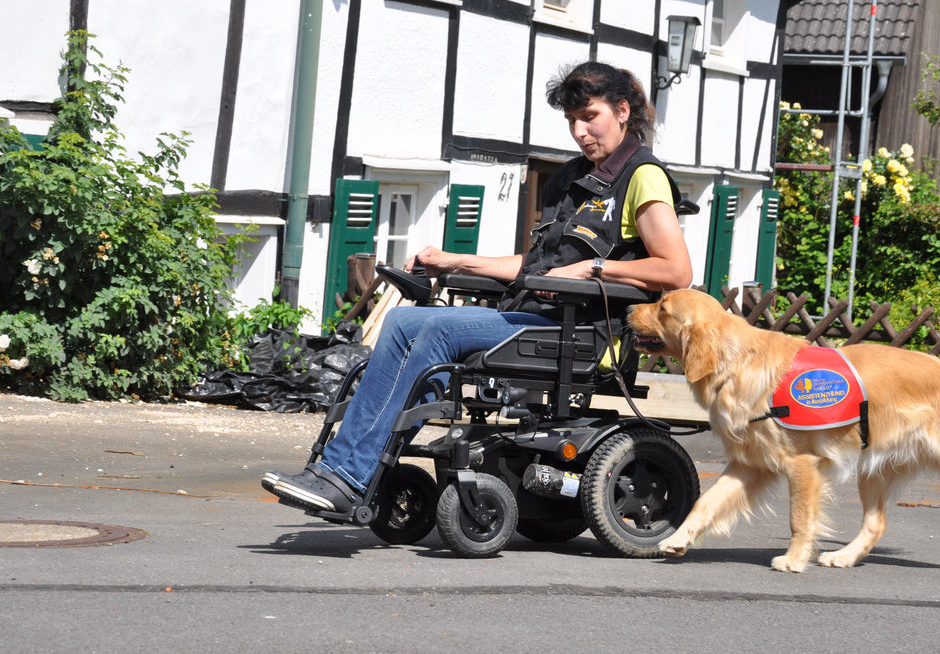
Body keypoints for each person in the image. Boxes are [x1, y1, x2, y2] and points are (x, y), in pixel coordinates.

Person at [262, 61, 694, 514]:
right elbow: (536, 265)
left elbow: (675, 270)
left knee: (438, 332)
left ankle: (351, 476)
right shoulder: (570, 178)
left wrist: (594, 269)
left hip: (585, 332)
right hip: (536, 317)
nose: (580, 132)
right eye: (571, 122)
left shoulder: (642, 175)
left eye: (590, 117)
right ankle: (336, 470)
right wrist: (456, 259)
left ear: (622, 111)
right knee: (403, 317)